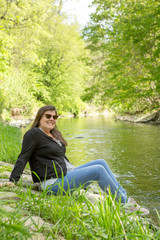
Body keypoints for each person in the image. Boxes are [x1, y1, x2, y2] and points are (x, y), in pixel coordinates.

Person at [8, 105, 149, 215]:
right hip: (52, 183)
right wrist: (12, 181)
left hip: (64, 175)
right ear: (39, 117)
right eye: (48, 116)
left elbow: (61, 158)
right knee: (98, 170)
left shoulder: (53, 134)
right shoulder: (33, 134)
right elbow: (23, 156)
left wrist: (77, 172)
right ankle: (126, 205)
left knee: (101, 162)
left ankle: (125, 198)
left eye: (55, 116)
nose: (52, 119)